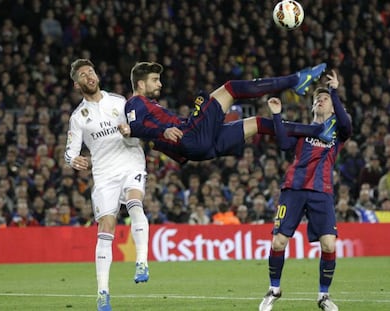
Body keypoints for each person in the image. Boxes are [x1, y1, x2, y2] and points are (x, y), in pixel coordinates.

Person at [258, 70, 352, 311]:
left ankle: (323, 296)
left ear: (333, 107)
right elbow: (283, 144)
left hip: (322, 192)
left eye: (325, 99)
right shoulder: (303, 130)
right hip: (294, 189)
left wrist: (334, 91)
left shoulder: (337, 131)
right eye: (317, 99)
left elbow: (346, 124)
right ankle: (274, 289)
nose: (320, 101)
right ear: (312, 107)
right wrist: (277, 115)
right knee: (278, 242)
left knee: (329, 245)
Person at [64, 59, 150, 311]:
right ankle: (102, 293)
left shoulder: (119, 102)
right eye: (83, 75)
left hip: (131, 161)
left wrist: (130, 130)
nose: (89, 76)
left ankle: (142, 262)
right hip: (104, 175)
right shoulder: (78, 117)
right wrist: (74, 160)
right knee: (107, 226)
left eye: (91, 71)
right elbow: (69, 152)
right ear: (77, 84)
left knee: (135, 203)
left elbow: (138, 127)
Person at [121, 62, 330, 164]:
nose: (160, 83)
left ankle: (316, 131)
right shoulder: (135, 102)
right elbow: (134, 128)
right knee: (230, 88)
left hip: (197, 147)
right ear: (140, 83)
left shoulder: (148, 104)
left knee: (256, 123)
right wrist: (162, 132)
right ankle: (295, 80)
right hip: (191, 137)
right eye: (154, 80)